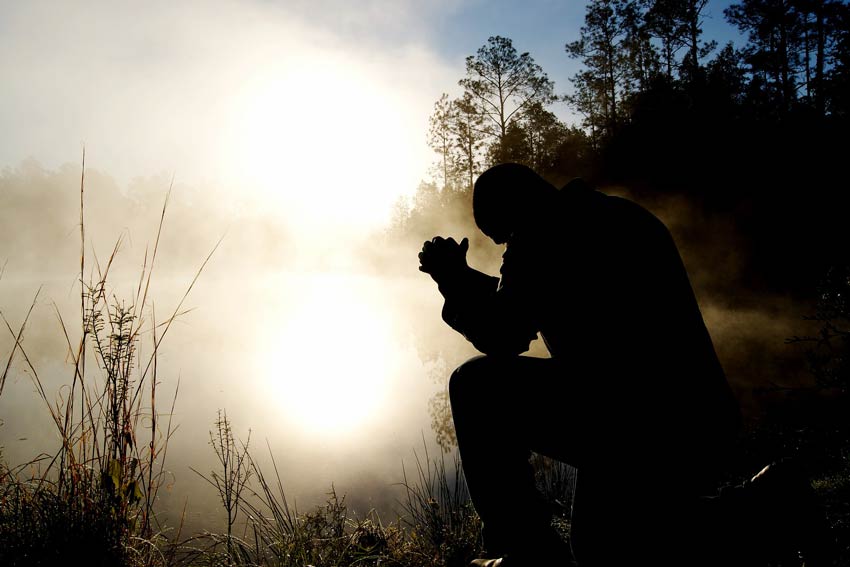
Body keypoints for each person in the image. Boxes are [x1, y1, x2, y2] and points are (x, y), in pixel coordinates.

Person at [418, 163, 747, 566]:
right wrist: (466, 278)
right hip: (697, 420)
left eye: (505, 238)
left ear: (515, 209)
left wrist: (452, 281)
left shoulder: (541, 236)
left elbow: (504, 334)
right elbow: (526, 296)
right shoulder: (615, 215)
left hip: (630, 422)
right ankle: (760, 506)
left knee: (475, 385)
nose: (507, 249)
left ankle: (525, 551)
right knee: (601, 546)